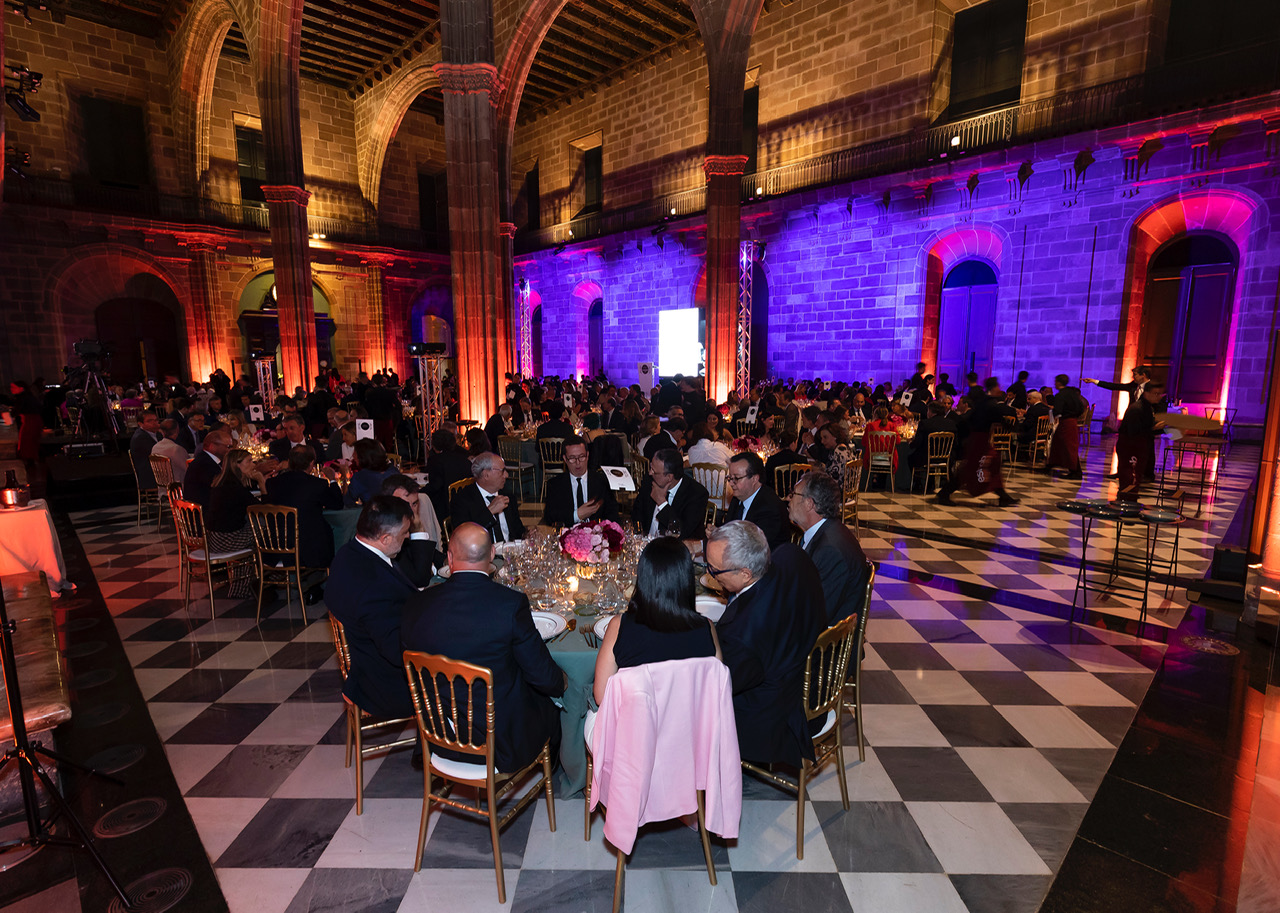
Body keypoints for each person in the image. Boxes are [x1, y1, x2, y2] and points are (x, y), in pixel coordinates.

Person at [400, 522, 566, 773]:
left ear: (450, 557)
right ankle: (554, 770)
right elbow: (543, 677)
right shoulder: (509, 605)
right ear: (491, 556)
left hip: (439, 734)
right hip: (498, 743)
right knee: (551, 704)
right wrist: (564, 681)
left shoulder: (416, 604)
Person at [709, 522, 826, 766]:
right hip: (811, 678)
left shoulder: (743, 634)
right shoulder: (793, 555)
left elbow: (720, 685)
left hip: (772, 719)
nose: (710, 575)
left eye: (715, 571)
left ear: (745, 574)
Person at [592, 536, 720, 707]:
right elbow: (716, 687)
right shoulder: (707, 628)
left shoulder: (618, 626)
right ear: (686, 579)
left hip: (635, 729)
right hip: (687, 728)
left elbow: (602, 696)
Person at [326, 496, 419, 719]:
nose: (408, 536)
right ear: (385, 538)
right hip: (385, 685)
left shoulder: (348, 553)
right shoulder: (374, 587)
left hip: (364, 667)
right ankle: (438, 750)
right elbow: (397, 652)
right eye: (405, 532)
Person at [789, 471, 870, 625]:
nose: (789, 499)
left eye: (793, 494)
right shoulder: (828, 530)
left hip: (825, 642)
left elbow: (816, 615)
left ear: (809, 504)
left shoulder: (830, 550)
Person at [935, 378, 1020, 508]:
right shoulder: (990, 403)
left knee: (988, 465)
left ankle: (1003, 496)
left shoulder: (985, 401)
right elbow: (1000, 419)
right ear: (994, 388)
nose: (1000, 388)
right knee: (973, 468)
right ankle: (944, 493)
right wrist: (1016, 429)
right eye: (998, 386)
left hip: (979, 439)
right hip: (979, 440)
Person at [263, 445, 344, 575]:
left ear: (289, 462)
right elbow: (337, 504)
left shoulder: (273, 483)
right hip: (308, 549)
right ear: (312, 463)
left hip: (277, 546)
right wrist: (333, 480)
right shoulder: (317, 484)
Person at [206, 447, 265, 598]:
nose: (253, 464)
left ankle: (242, 586)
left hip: (213, 539)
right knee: (266, 526)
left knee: (254, 526)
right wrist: (262, 482)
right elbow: (263, 509)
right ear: (237, 465)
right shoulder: (235, 488)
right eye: (249, 461)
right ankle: (273, 574)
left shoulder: (221, 483)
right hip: (227, 541)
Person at [541, 436, 619, 527]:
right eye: (572, 458)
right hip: (568, 536)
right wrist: (576, 515)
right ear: (565, 459)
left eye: (581, 457)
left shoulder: (602, 481)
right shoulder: (555, 484)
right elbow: (550, 517)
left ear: (588, 455)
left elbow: (613, 515)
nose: (578, 463)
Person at [450, 451, 526, 542]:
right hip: (481, 554)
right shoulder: (462, 500)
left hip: (509, 553)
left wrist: (527, 534)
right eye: (502, 471)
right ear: (486, 475)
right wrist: (490, 511)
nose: (506, 475)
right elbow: (464, 537)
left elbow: (518, 530)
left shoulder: (508, 496)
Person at [717, 452, 788, 549]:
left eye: (736, 478)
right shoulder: (738, 497)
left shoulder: (770, 508)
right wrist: (717, 533)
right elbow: (730, 530)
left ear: (754, 479)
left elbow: (752, 548)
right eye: (729, 478)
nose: (731, 484)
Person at [634, 448, 709, 539]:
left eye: (654, 471)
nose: (650, 473)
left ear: (669, 477)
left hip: (675, 549)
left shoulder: (696, 494)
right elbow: (636, 514)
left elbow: (682, 531)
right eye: (651, 468)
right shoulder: (649, 481)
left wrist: (662, 503)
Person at [380, 474, 441, 584]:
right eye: (404, 505)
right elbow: (420, 579)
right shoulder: (386, 536)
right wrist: (418, 530)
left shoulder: (406, 528)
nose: (411, 512)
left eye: (415, 504)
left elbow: (436, 557)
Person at [1116, 382, 1166, 502]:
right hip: (1131, 446)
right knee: (1130, 474)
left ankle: (1130, 499)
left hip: (1139, 445)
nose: (1158, 397)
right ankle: (1125, 502)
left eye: (1161, 394)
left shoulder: (1148, 407)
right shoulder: (1137, 409)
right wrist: (1154, 428)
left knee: (1136, 474)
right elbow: (1134, 431)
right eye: (1156, 393)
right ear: (1146, 393)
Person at [424, 428, 473, 523]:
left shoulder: (436, 461)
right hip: (466, 505)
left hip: (445, 509)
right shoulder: (465, 459)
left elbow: (435, 487)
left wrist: (419, 490)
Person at [1047, 374, 1087, 480]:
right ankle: (1051, 465)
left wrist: (1055, 413)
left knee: (1067, 446)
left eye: (1055, 381)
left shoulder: (1060, 395)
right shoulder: (1072, 393)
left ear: (1058, 382)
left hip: (1065, 422)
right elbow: (1081, 407)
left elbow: (1058, 410)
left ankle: (1075, 471)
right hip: (1072, 421)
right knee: (1061, 443)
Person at [344, 438, 397, 507]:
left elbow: (347, 502)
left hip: (373, 515)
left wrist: (345, 476)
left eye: (355, 453)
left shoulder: (361, 477)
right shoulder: (392, 470)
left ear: (362, 456)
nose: (353, 456)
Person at [907, 402, 957, 471]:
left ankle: (917, 481)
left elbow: (917, 443)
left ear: (930, 411)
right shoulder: (951, 423)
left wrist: (910, 443)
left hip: (926, 458)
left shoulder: (925, 423)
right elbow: (955, 443)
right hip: (947, 458)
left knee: (910, 458)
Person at [129, 411, 163, 488]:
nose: (154, 423)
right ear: (140, 424)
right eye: (149, 421)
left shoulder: (158, 434)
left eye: (156, 420)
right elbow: (156, 454)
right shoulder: (140, 437)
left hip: (158, 468)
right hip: (149, 474)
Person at [152, 418, 190, 484]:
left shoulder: (155, 447)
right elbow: (188, 469)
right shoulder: (176, 449)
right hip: (178, 487)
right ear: (177, 430)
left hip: (162, 486)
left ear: (161, 431)